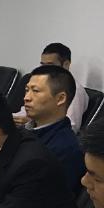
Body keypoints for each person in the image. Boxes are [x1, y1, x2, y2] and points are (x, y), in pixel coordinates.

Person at [22, 64, 85, 193]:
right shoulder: (23, 131)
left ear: (60, 99)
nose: (26, 97)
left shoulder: (66, 149)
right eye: (27, 90)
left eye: (35, 91)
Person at [14, 42, 88, 133]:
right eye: (42, 65)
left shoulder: (75, 90)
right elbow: (24, 112)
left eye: (50, 65)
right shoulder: (41, 83)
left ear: (66, 64)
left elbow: (71, 127)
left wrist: (33, 123)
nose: (45, 69)